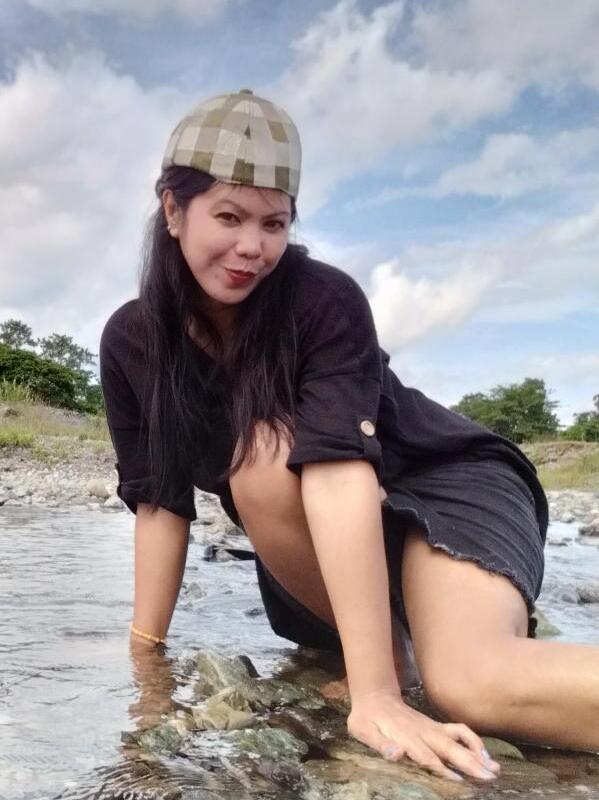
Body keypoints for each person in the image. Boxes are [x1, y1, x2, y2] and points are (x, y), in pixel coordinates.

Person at [100, 89, 599, 784]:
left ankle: (399, 659)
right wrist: (145, 659)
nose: (252, 247)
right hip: (318, 544)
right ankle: (393, 649)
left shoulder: (322, 299)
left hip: (446, 484)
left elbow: (337, 473)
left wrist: (375, 696)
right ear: (173, 210)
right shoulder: (133, 341)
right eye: (229, 217)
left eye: (274, 223)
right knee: (261, 464)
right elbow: (159, 504)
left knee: (471, 683)